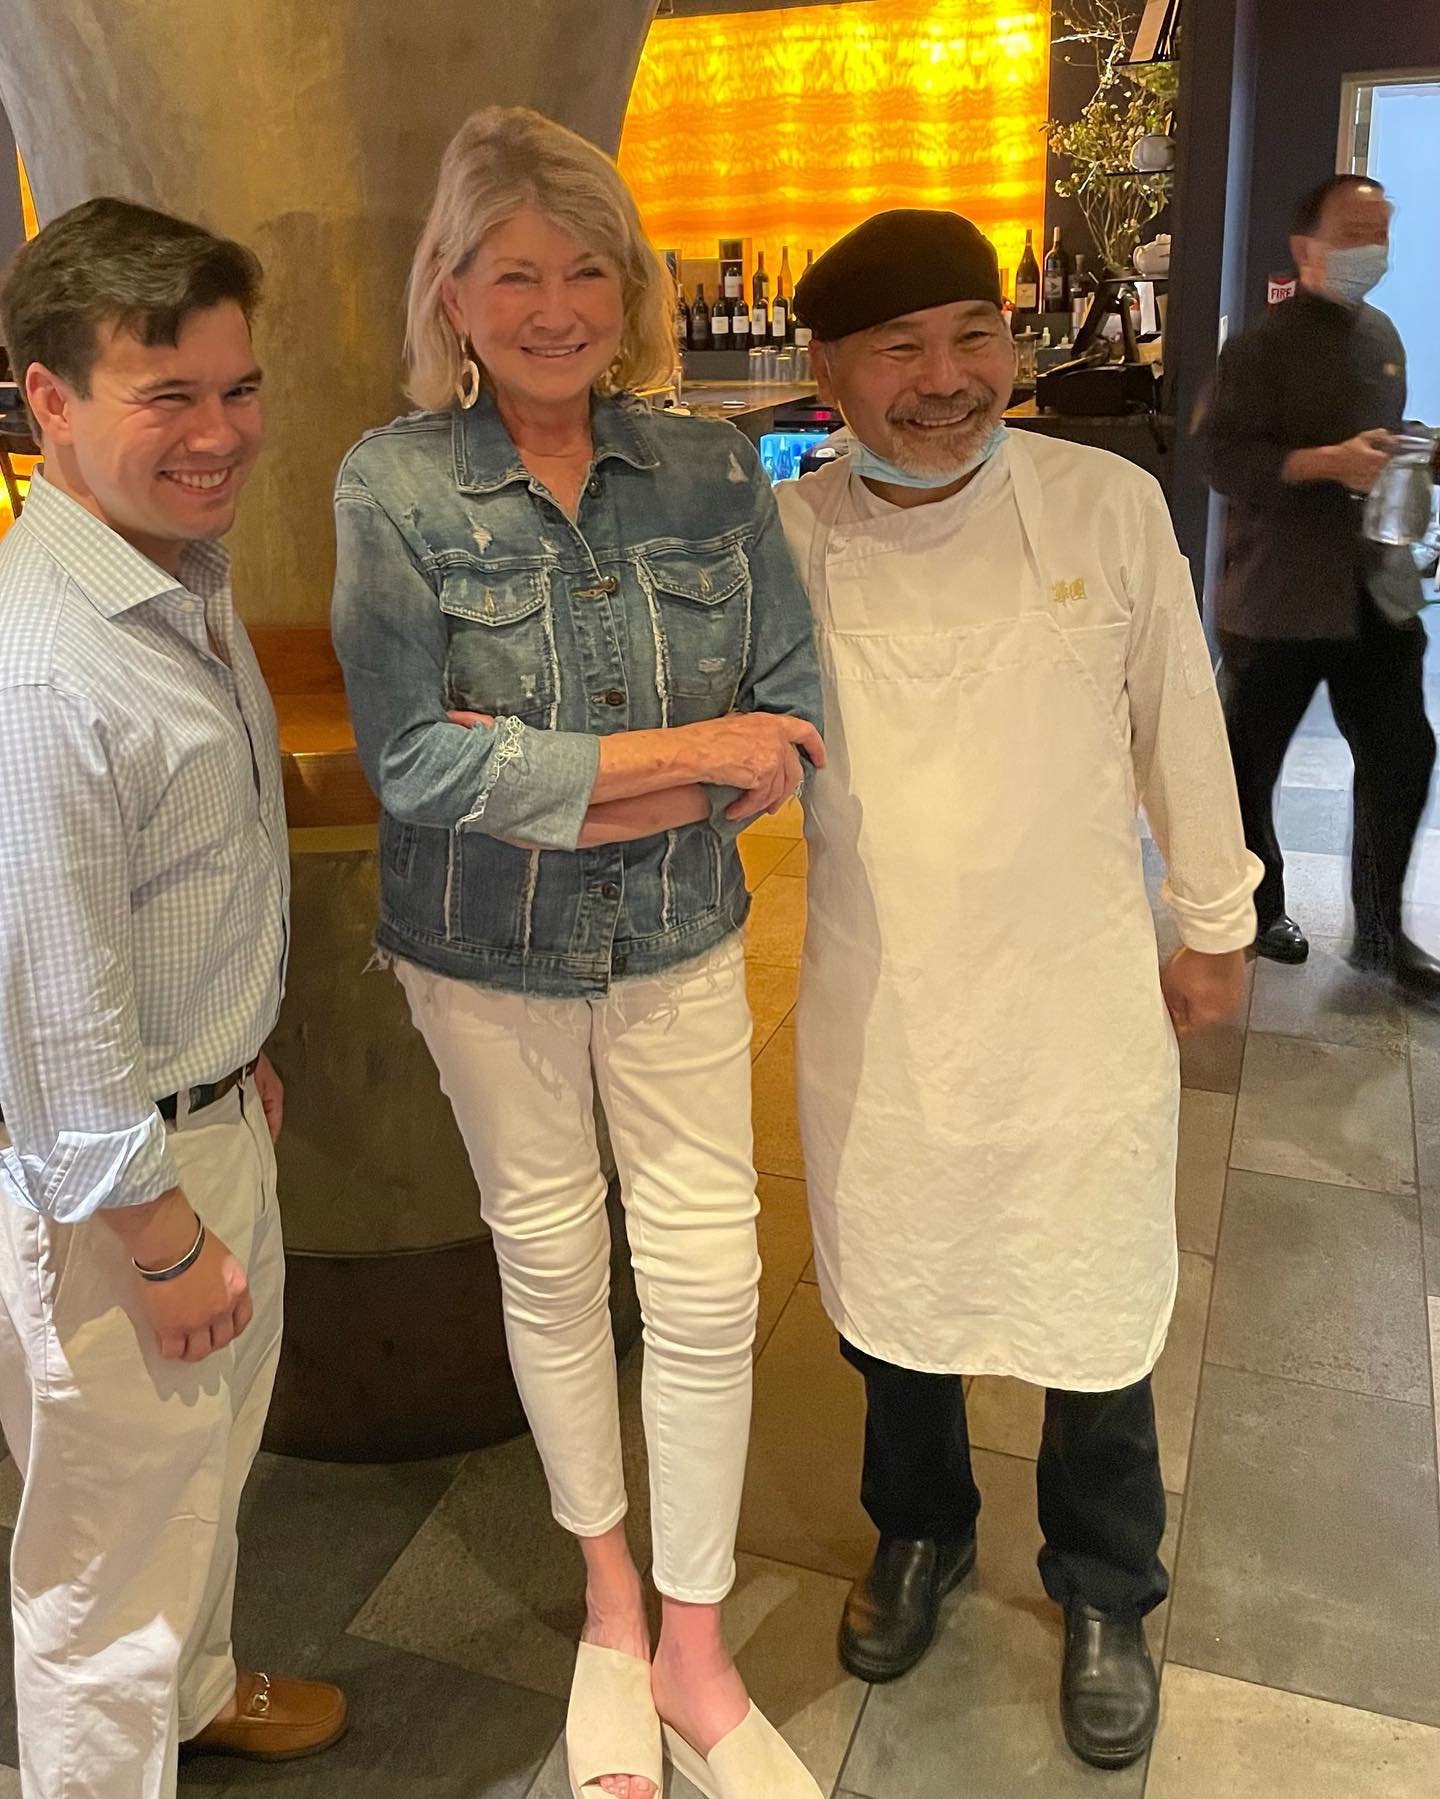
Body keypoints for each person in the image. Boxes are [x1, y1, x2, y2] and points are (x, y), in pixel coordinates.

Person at [330, 109, 825, 1799]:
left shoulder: (708, 466)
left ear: (634, 288)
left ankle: (695, 1642)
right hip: (480, 954)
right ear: (451, 293)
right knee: (549, 1265)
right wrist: (677, 759)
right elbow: (413, 761)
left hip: (680, 937)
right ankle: (610, 1609)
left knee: (706, 1282)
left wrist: (548, 785)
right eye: (514, 273)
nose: (555, 307)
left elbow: (791, 718)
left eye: (588, 270)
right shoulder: (393, 483)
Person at [777, 209, 1260, 1772]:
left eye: (973, 336)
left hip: (1072, 990)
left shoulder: (1103, 503)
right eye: (901, 348)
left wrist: (1214, 916)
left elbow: (1179, 712)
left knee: (1092, 1293)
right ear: (827, 369)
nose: (946, 378)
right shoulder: (785, 541)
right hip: (885, 1001)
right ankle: (918, 1527)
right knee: (896, 1290)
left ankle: (1108, 1582)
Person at [0, 199, 346, 1798]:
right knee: (107, 1562)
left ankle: (196, 1692)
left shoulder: (166, 572)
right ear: (51, 399)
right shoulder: (46, 662)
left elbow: (163, 892)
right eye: (170, 396)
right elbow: (53, 1010)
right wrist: (154, 1229)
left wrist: (227, 1047)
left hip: (193, 1114)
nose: (222, 433)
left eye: (239, 386)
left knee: (192, 1477)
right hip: (116, 1184)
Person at [1200, 173, 1440, 989]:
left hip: (1375, 589)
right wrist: (1324, 463)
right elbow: (1223, 458)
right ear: (1306, 248)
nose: (1371, 247)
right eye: (1353, 232)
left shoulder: (1382, 333)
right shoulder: (1256, 350)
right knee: (1246, 768)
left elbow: (1379, 437)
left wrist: (1414, 452)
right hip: (1278, 595)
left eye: (1380, 231)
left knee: (1403, 755)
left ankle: (1381, 932)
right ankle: (1261, 907)